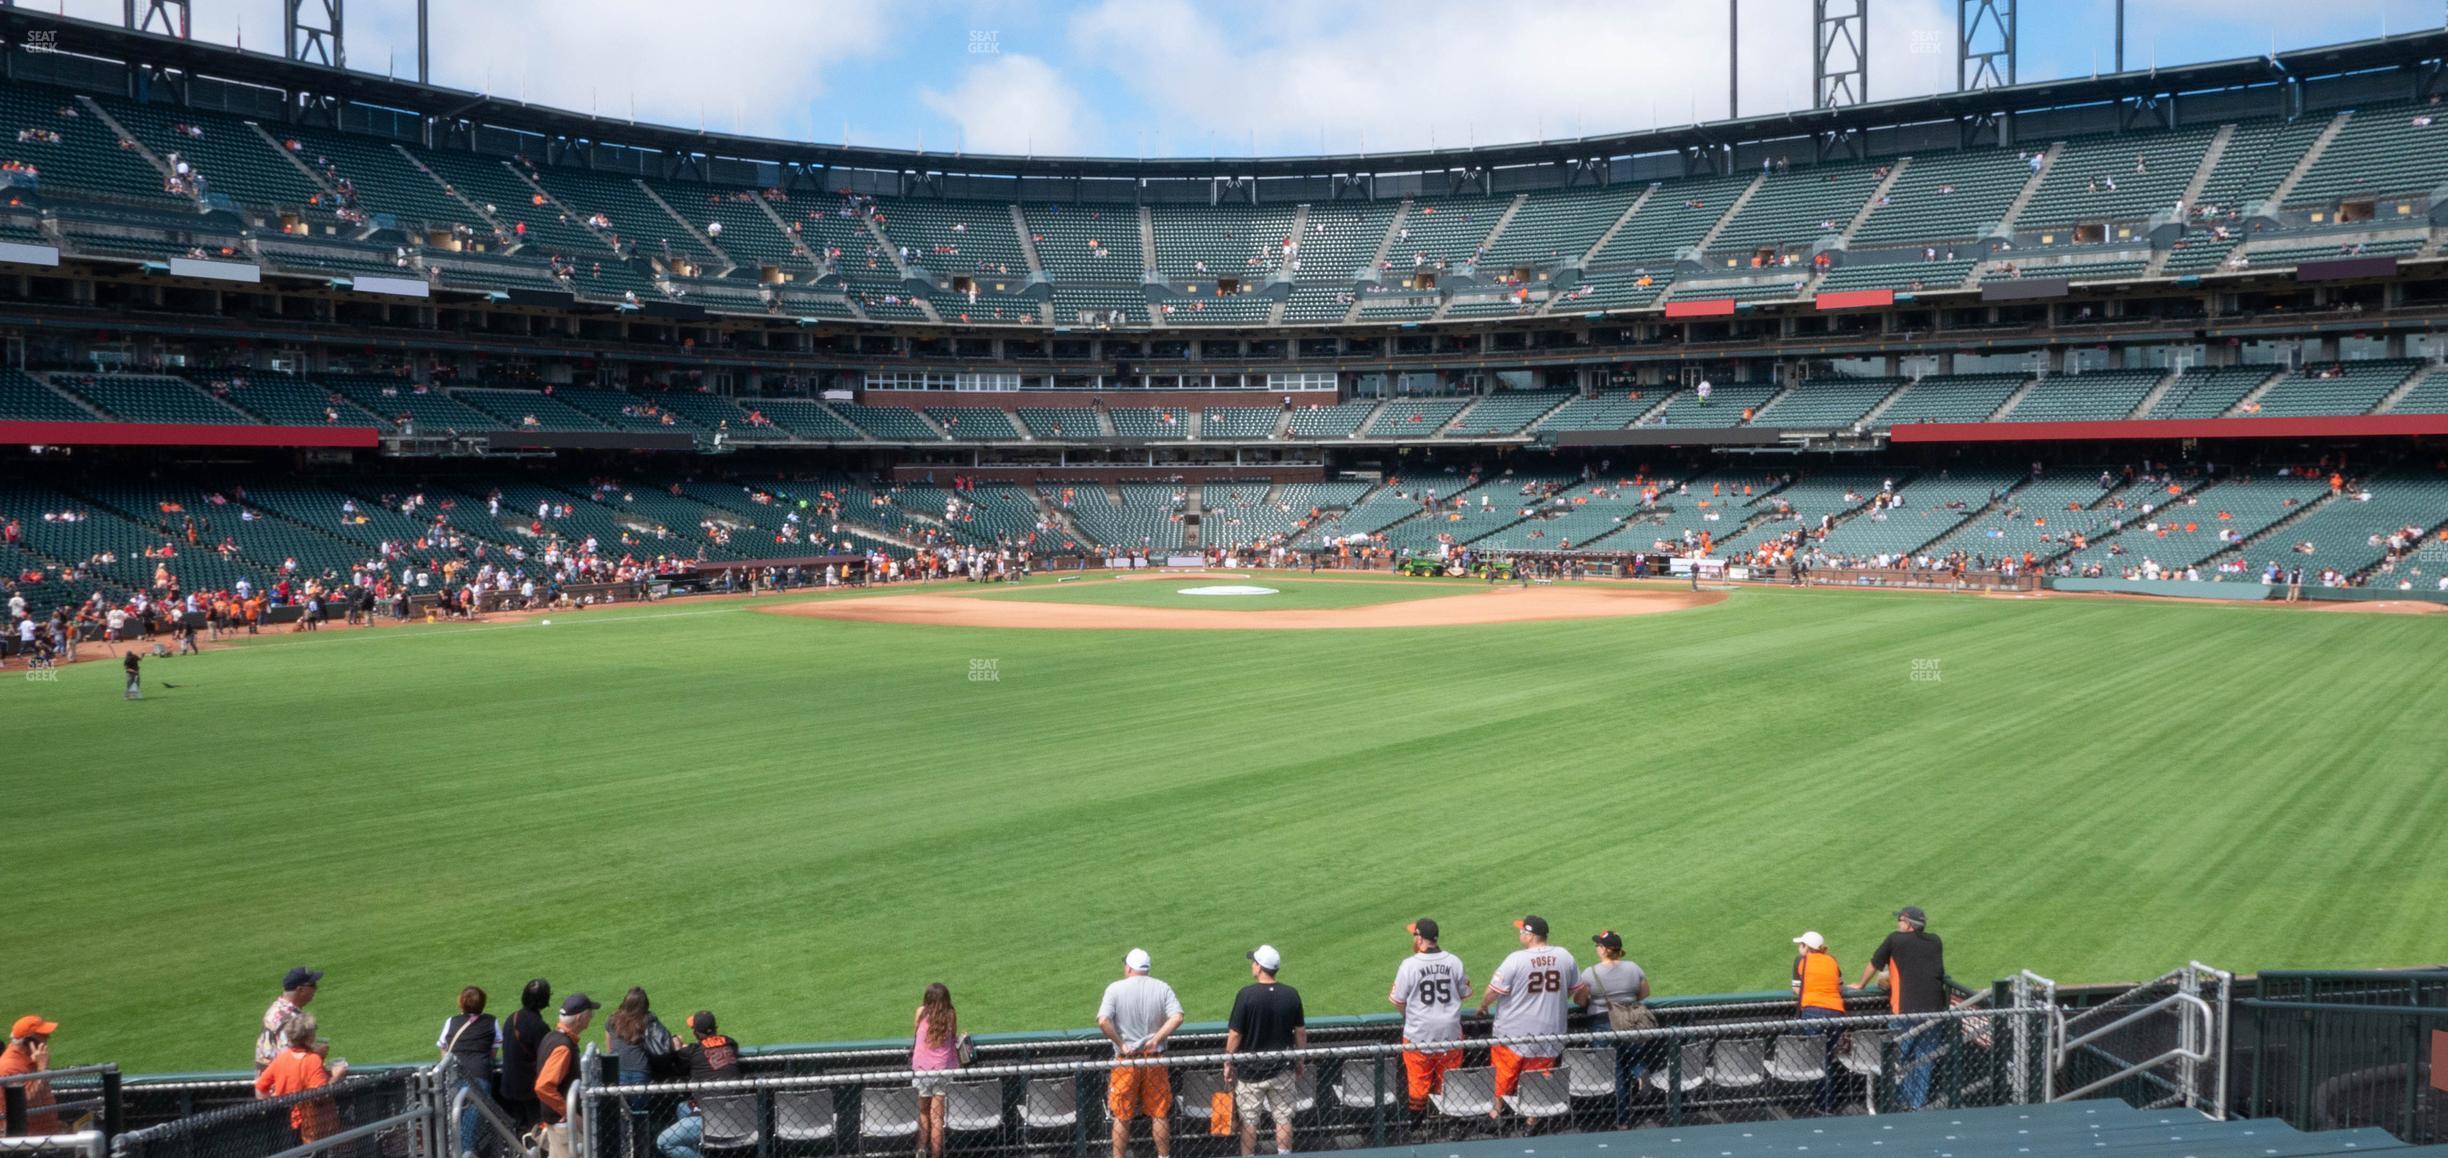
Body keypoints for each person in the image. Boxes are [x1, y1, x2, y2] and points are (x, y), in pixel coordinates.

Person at [1475, 916, 1578, 1128]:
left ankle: (1496, 1115)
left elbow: (1494, 991)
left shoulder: (1516, 959)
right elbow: (1578, 990)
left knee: (1503, 1075)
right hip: (1550, 1033)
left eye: (1522, 931)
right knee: (1537, 1078)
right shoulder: (1564, 956)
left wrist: (1483, 1005)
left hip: (1512, 1033)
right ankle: (1532, 1121)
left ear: (1530, 936)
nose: (1519, 934)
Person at [1859, 907, 1949, 1110]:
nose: (1897, 924)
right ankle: (1916, 1104)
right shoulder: (1935, 941)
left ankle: (1896, 1103)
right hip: (1934, 1010)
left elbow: (1874, 964)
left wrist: (1861, 985)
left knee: (1899, 1058)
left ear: (1908, 923)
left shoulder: (1895, 939)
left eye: (1900, 920)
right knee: (1924, 1059)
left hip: (1905, 1011)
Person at [1097, 948, 1184, 1158]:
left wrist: (1121, 1043)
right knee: (1159, 1113)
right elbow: (1177, 1017)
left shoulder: (1115, 989)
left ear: (1128, 968)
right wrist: (1156, 1039)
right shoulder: (1162, 987)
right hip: (1154, 1060)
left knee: (1122, 1115)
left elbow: (1103, 1020)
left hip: (1126, 1061)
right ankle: (1163, 1157)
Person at [1223, 945, 1305, 1157]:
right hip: (1283, 1068)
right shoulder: (1291, 994)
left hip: (1251, 1072)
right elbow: (1300, 1032)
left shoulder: (1246, 995)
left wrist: (1227, 1061)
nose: (1252, 965)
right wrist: (1300, 1059)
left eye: (1254, 962)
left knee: (1249, 1121)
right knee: (1283, 1118)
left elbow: (1235, 1034)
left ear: (1259, 967)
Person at [1387, 920, 1469, 1127]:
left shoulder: (1409, 964)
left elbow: (1398, 1001)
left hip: (1418, 1034)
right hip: (1451, 1034)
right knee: (1449, 1081)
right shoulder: (1454, 961)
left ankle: (1416, 1127)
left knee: (1418, 1082)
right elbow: (1464, 993)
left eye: (1414, 936)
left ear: (1420, 938)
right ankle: (1451, 1126)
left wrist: (1409, 1015)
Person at [1573, 930, 1651, 1126]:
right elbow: (1644, 992)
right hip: (1631, 1021)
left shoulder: (1591, 972)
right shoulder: (1633, 968)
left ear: (1606, 950)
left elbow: (1580, 1000)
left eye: (1599, 945)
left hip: (1602, 1024)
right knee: (1632, 1057)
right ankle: (1640, 1071)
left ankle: (1622, 1120)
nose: (1596, 948)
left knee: (1615, 1072)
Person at [654, 1012, 742, 1158]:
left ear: (696, 1033)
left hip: (713, 1120)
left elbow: (678, 1062)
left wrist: (677, 1047)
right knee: (682, 1107)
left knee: (664, 1142)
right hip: (741, 1116)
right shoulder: (730, 1043)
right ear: (715, 1028)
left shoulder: (692, 1052)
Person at [254, 1014, 348, 1145]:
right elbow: (320, 1094)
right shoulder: (312, 1060)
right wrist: (337, 1075)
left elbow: (260, 1088)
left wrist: (276, 1103)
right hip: (310, 1126)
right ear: (309, 1037)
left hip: (284, 1124)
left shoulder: (283, 1058)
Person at [438, 987, 499, 1155]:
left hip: (454, 1077)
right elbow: (493, 1053)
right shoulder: (491, 1021)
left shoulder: (451, 1022)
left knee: (454, 1128)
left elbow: (444, 1050)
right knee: (470, 1131)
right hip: (479, 1077)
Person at [1791, 932, 1847, 1113]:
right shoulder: (1832, 960)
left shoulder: (1801, 961)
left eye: (1801, 945)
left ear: (1807, 947)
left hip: (1813, 1012)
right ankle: (1827, 1104)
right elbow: (1840, 985)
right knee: (1829, 1058)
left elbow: (1796, 990)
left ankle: (1822, 1103)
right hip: (1836, 1012)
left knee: (1817, 1059)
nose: (1800, 948)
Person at [535, 993, 600, 1127]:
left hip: (558, 1123)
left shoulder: (551, 1036)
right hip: (564, 1128)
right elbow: (543, 1087)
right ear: (580, 1018)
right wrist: (571, 1115)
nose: (591, 1018)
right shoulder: (563, 1048)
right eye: (590, 1014)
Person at [911, 984, 960, 1158]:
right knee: (937, 1117)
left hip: (922, 1070)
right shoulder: (950, 1015)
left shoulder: (920, 1012)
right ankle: (935, 1156)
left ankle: (921, 1150)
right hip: (942, 1071)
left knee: (923, 1112)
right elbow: (953, 1036)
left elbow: (915, 1034)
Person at [498, 979, 552, 1128]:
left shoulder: (512, 1018)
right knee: (536, 1130)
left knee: (518, 1130)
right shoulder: (539, 1026)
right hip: (528, 1090)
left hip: (508, 1087)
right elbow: (547, 1059)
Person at [0, 1015, 59, 1135]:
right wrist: (42, 1070)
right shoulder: (9, 1066)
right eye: (43, 1036)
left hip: (42, 1136)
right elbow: (24, 1105)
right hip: (25, 1140)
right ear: (29, 1041)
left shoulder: (32, 1059)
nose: (48, 1037)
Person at [257, 967, 322, 1072]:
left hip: (269, 1081)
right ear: (301, 990)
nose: (316, 988)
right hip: (281, 1085)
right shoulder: (289, 1021)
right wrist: (316, 1055)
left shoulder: (276, 1008)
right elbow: (291, 1062)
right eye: (313, 985)